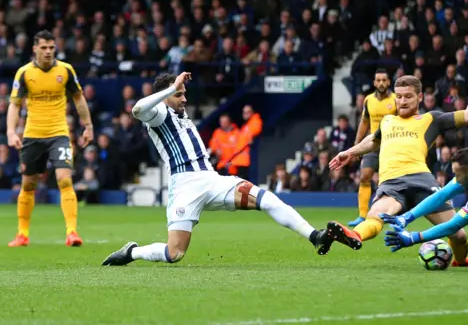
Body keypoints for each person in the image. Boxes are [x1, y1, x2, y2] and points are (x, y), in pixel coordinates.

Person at [102, 72, 332, 266]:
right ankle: (132, 252)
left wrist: (174, 89)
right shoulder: (158, 114)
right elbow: (137, 110)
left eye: (184, 94)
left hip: (211, 180)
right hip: (185, 187)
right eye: (179, 94)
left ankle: (315, 236)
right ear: (165, 97)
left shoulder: (180, 113)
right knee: (175, 254)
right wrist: (170, 87)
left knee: (265, 199)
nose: (184, 99)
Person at [324, 60, 468, 267]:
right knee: (375, 216)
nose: (402, 101)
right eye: (399, 97)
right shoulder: (388, 121)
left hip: (422, 181)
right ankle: (353, 235)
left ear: (419, 97)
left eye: (408, 96)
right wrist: (349, 152)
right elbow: (373, 140)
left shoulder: (431, 119)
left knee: (458, 236)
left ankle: (462, 261)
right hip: (392, 183)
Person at [6, 30, 94, 247]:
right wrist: (10, 131)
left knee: (65, 179)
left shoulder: (65, 70)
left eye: (51, 47)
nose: (48, 51)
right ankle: (22, 234)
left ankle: (72, 232)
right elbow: (15, 104)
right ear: (34, 48)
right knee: (28, 185)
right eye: (43, 47)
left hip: (59, 133)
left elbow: (79, 99)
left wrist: (88, 126)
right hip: (32, 135)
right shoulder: (24, 73)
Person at [348, 69, 397, 227]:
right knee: (364, 176)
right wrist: (357, 145)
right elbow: (364, 122)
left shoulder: (396, 99)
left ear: (389, 82)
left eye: (384, 80)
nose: (381, 83)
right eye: (378, 80)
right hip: (373, 145)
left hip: (391, 146)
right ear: (374, 83)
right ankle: (362, 216)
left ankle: (391, 216)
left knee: (390, 182)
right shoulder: (368, 100)